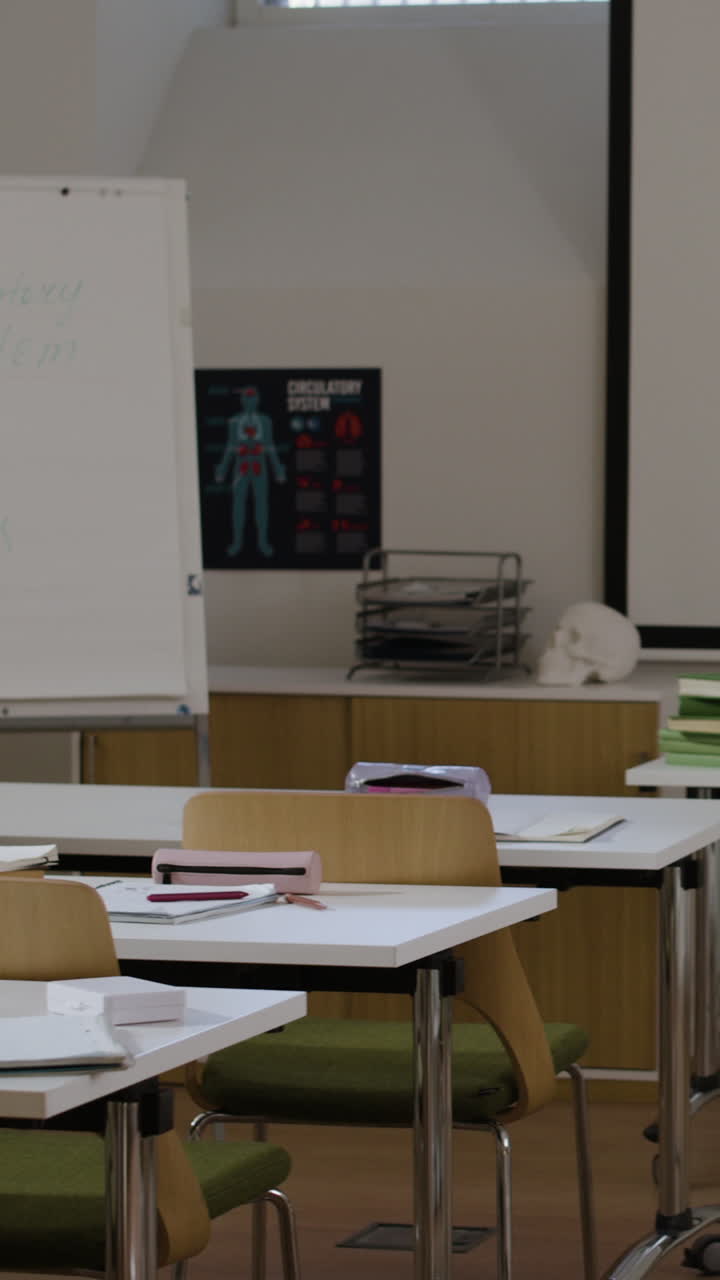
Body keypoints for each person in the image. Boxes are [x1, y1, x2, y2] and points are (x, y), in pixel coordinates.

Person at [215, 387, 286, 557]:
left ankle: (262, 541)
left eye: (253, 398)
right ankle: (237, 542)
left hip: (259, 465)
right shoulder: (234, 421)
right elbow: (230, 446)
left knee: (261, 504)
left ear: (258, 400)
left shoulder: (265, 421)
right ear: (242, 401)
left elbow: (270, 445)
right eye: (246, 399)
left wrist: (278, 469)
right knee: (238, 505)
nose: (249, 402)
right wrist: (222, 469)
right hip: (241, 465)